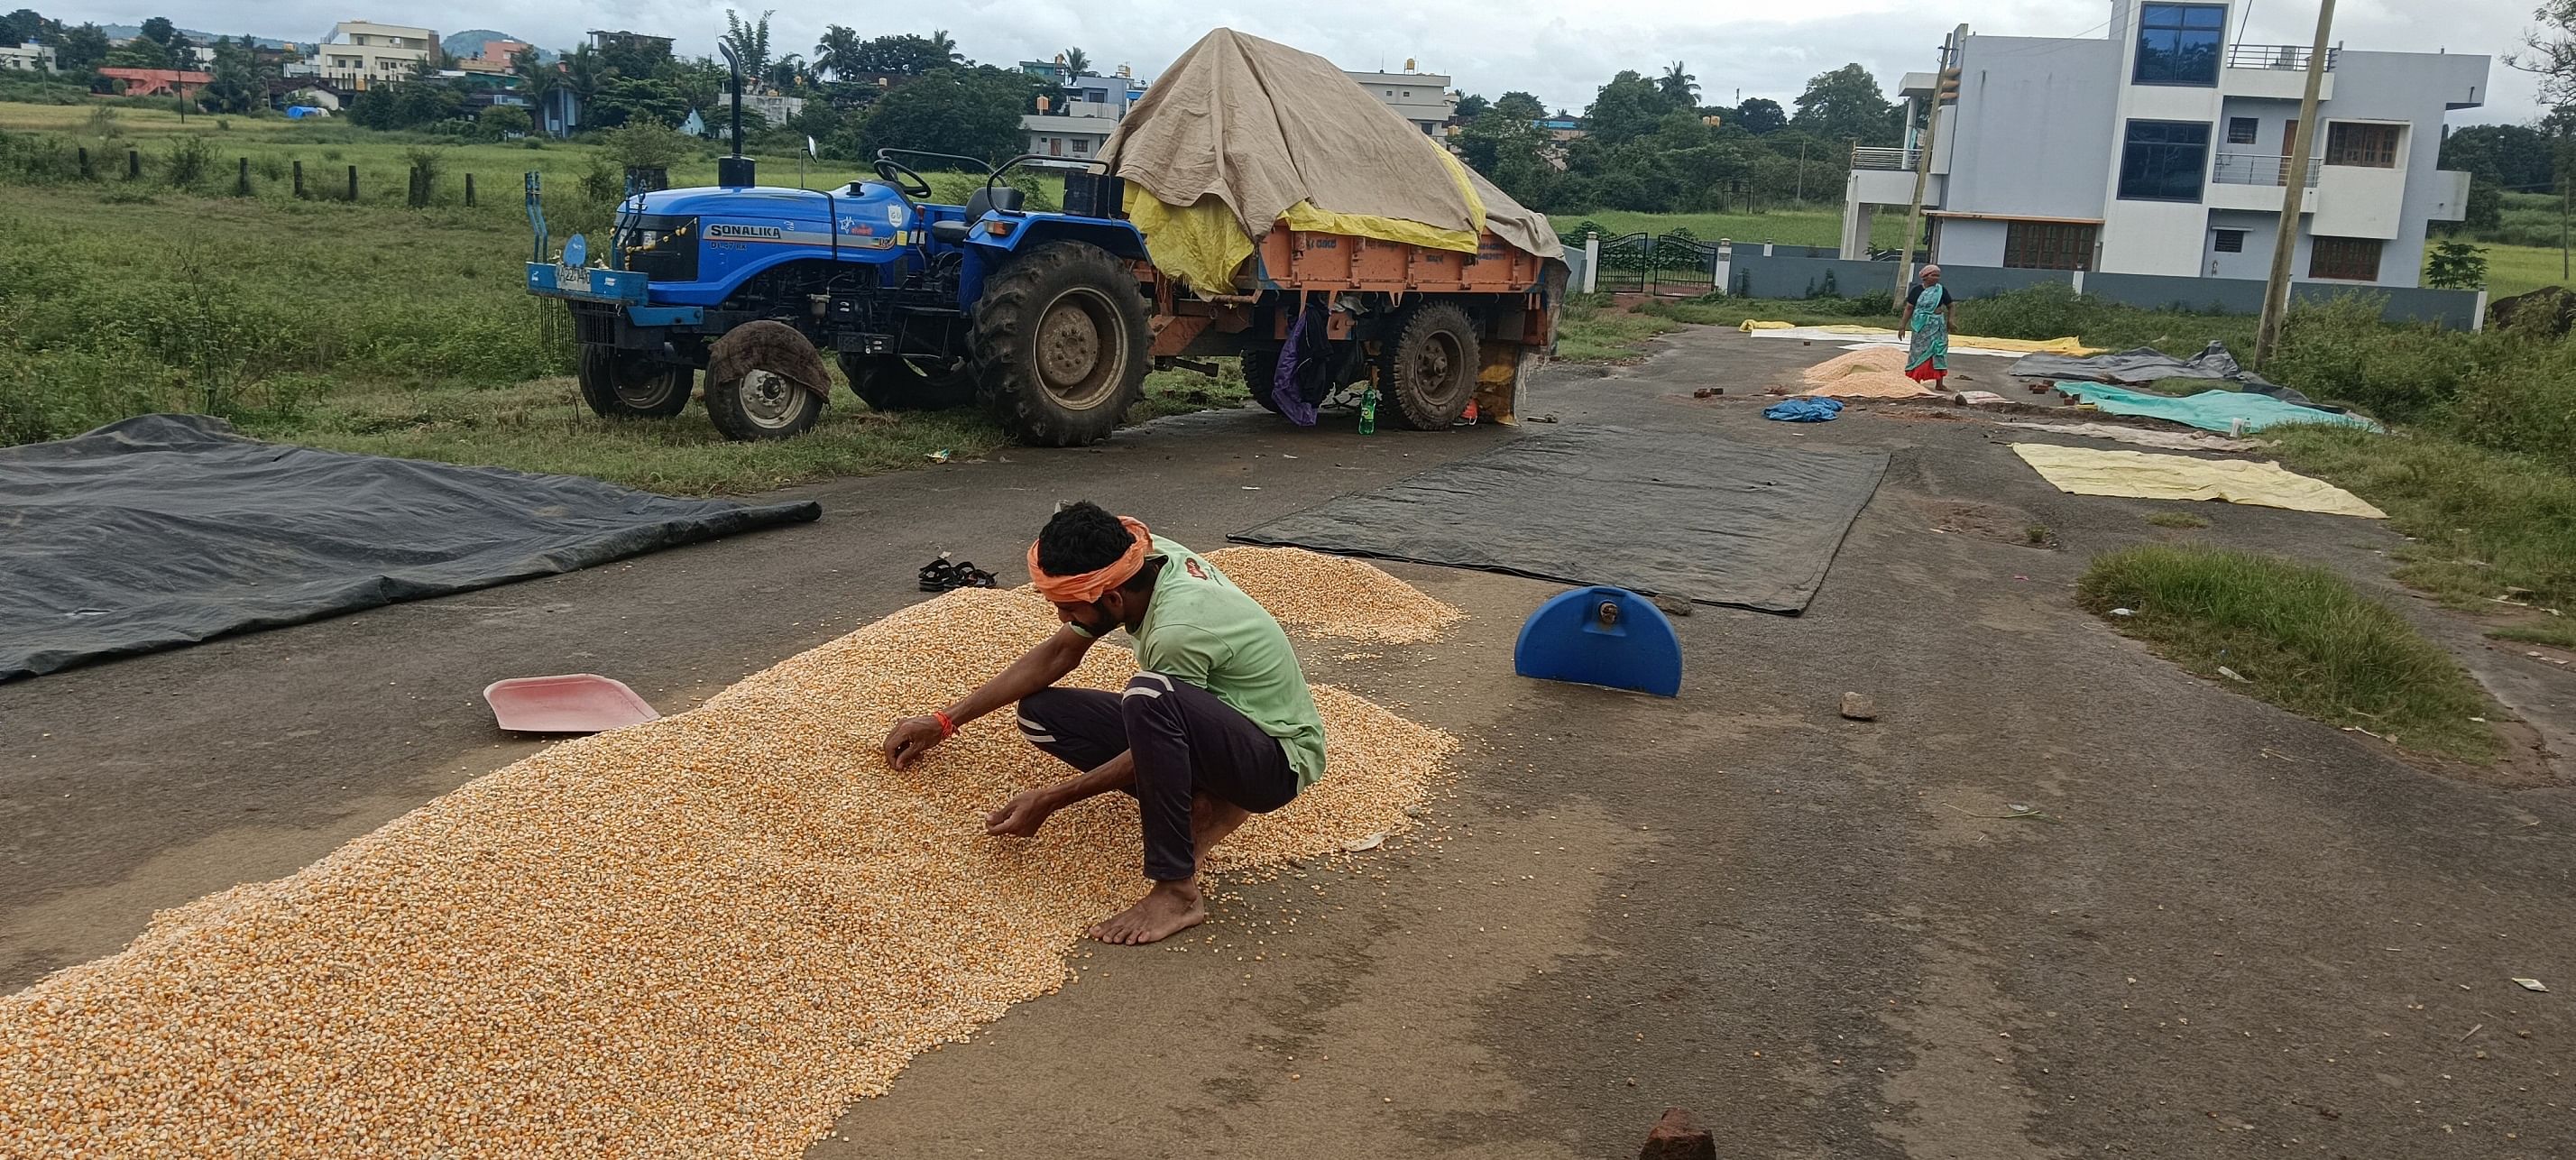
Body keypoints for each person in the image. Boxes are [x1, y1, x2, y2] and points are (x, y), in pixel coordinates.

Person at [880, 502, 1328, 945]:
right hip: (1219, 725)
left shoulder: (1178, 630)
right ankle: (1206, 801)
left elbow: (1160, 738)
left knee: (1148, 696)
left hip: (1275, 759)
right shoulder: (1141, 561)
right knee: (1041, 715)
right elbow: (1059, 654)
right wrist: (944, 721)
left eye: (1069, 608)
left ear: (1111, 598)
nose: (1062, 618)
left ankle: (1178, 890)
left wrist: (1052, 799)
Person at [1900, 264, 1954, 391]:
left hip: (1937, 326)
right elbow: (1909, 308)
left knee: (1938, 351)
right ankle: (1915, 382)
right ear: (1925, 277)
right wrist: (1902, 326)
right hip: (1921, 327)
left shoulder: (1940, 290)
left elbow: (1951, 305)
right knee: (1918, 352)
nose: (1936, 278)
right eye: (1933, 275)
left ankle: (1939, 384)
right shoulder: (1917, 291)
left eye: (1938, 276)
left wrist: (1950, 320)